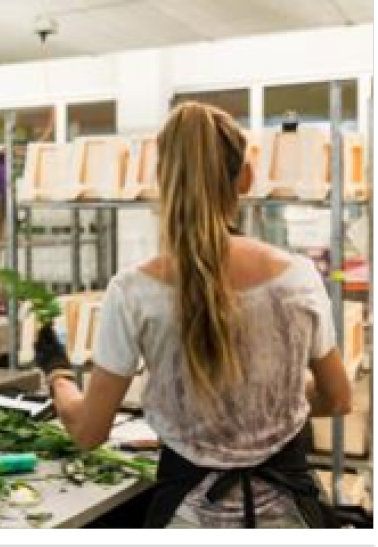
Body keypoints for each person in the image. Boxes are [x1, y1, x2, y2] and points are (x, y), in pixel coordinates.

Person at [35, 102, 352, 528]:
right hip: (291, 517)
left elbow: (89, 431)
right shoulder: (298, 277)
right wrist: (268, 393)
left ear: (163, 181)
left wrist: (57, 375)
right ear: (246, 177)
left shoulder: (134, 291)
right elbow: (338, 397)